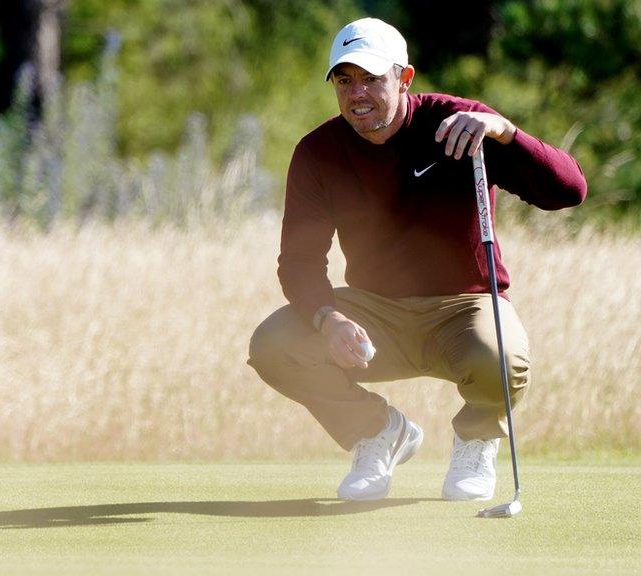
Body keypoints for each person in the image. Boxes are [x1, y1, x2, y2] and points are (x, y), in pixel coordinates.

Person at [247, 17, 587, 502]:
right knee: (273, 344)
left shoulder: (461, 124)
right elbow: (299, 262)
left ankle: (476, 439)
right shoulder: (318, 153)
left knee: (502, 356)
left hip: (462, 308)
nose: (357, 93)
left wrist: (504, 132)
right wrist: (329, 318)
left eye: (371, 78)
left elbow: (568, 191)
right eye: (344, 81)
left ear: (404, 78)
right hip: (372, 313)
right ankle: (378, 433)